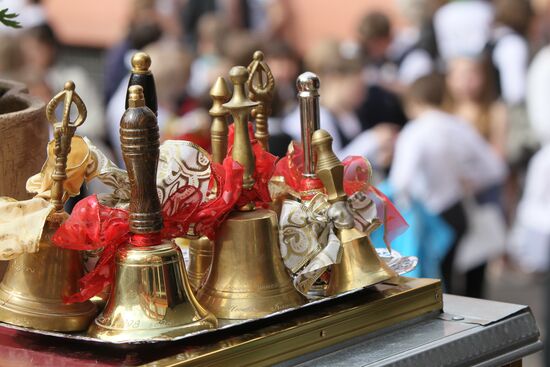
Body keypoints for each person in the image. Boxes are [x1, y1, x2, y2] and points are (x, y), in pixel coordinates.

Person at [389, 74, 507, 296]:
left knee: (440, 278)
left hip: (431, 216)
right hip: (458, 209)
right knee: (472, 275)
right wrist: (471, 180)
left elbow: (400, 182)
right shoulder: (458, 126)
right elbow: (495, 168)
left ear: (413, 102)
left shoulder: (414, 132)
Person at [282, 39, 399, 169]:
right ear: (336, 79)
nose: (364, 95)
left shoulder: (348, 114)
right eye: (358, 88)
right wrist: (372, 139)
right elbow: (330, 168)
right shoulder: (318, 116)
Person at [444, 56, 507, 158]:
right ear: (449, 79)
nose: (467, 81)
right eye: (461, 76)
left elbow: (499, 156)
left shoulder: (495, 111)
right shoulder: (443, 114)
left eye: (472, 74)